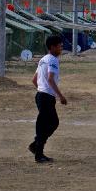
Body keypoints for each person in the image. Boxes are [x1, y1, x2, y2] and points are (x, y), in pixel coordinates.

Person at [29, 35, 67, 163]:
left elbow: (34, 80)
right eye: (59, 46)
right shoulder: (52, 60)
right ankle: (38, 153)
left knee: (50, 123)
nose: (61, 49)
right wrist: (60, 96)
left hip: (41, 95)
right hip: (46, 97)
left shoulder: (43, 59)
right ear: (52, 47)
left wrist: (42, 90)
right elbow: (50, 79)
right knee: (48, 124)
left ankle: (36, 146)